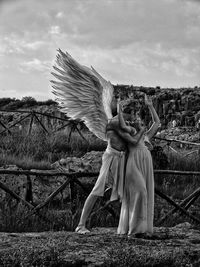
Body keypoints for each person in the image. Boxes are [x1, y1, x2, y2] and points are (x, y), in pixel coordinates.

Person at [75, 97, 145, 234]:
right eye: (132, 112)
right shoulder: (115, 123)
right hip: (112, 157)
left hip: (122, 158)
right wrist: (141, 131)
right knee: (97, 190)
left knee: (127, 191)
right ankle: (80, 225)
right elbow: (132, 140)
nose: (134, 115)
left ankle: (130, 226)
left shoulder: (126, 123)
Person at [117, 94, 160, 237]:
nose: (138, 119)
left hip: (145, 165)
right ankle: (134, 229)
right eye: (134, 117)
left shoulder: (146, 135)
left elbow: (157, 123)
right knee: (141, 191)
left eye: (139, 118)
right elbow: (121, 124)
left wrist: (150, 106)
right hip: (133, 164)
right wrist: (119, 109)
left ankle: (141, 228)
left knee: (144, 193)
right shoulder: (128, 133)